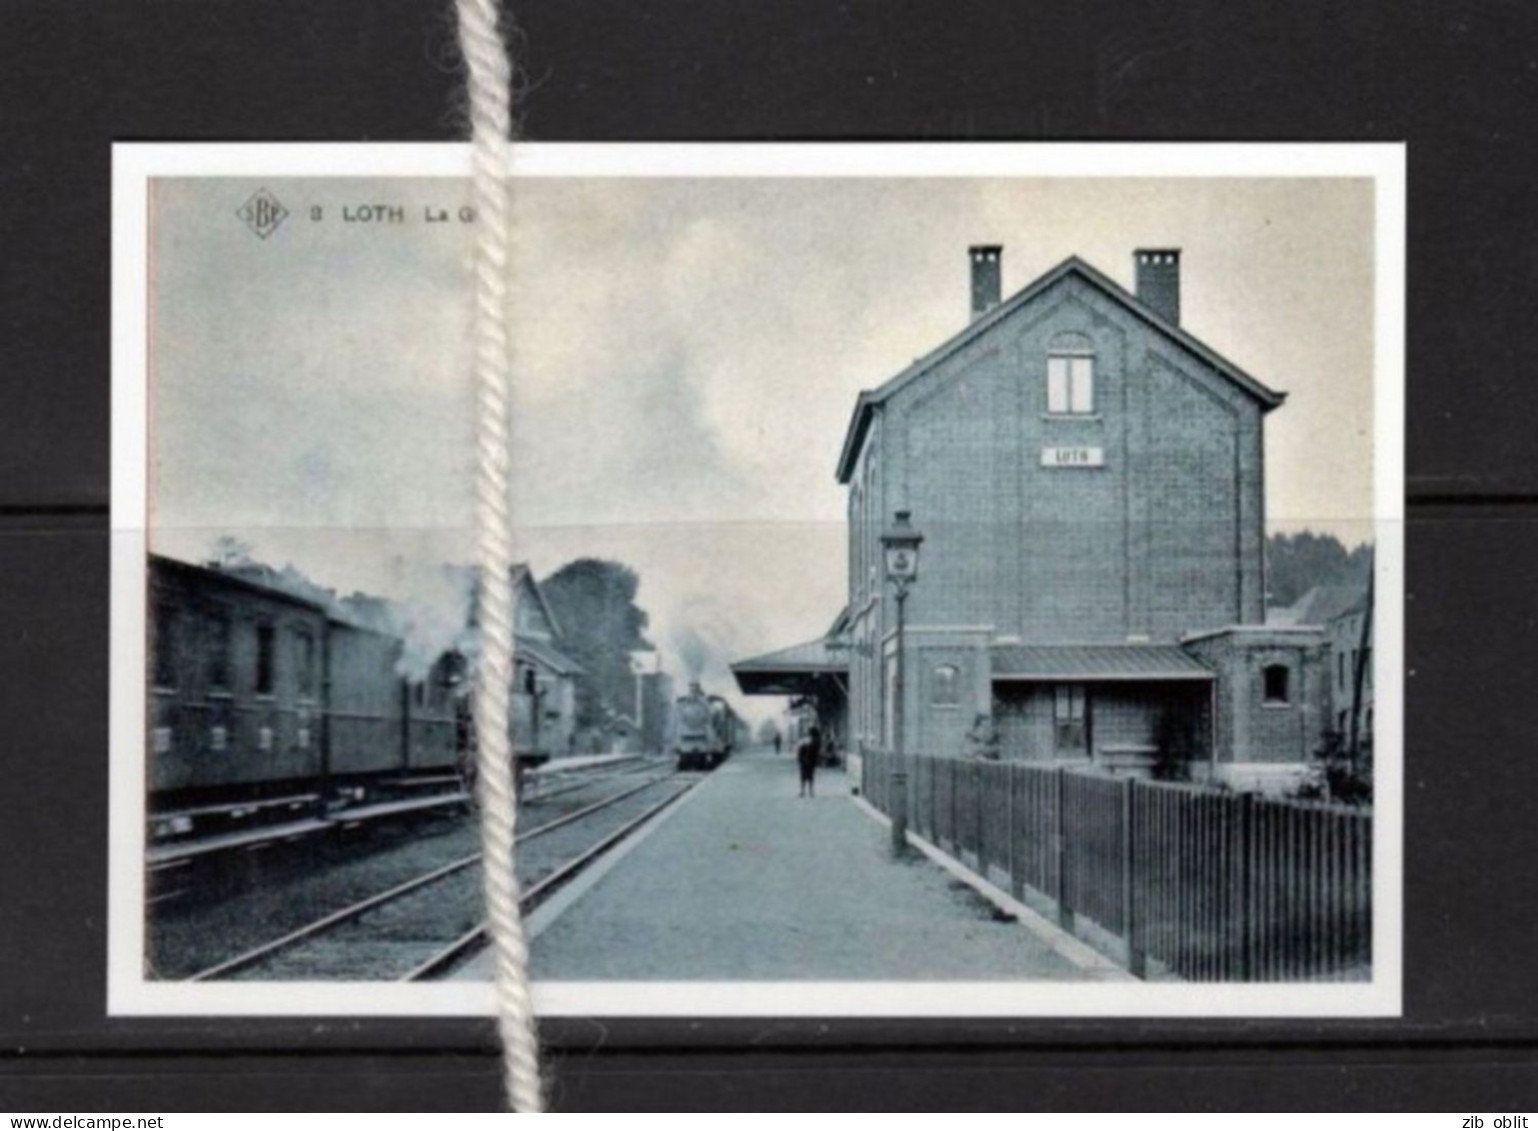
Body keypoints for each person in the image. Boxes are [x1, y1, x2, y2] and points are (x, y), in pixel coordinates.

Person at [797, 724, 822, 797]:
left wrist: (801, 758)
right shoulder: (815, 741)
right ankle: (809, 791)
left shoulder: (813, 741)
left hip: (807, 761)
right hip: (809, 761)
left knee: (804, 776)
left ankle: (804, 791)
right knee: (809, 776)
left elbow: (804, 750)